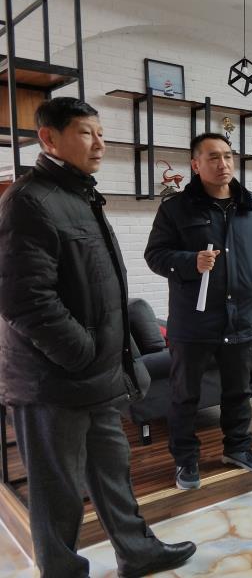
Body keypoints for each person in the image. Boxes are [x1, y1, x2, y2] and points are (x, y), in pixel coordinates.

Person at [0, 97, 196, 577]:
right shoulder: (28, 201)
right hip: (53, 381)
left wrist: (112, 358)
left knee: (113, 471)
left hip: (97, 376)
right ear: (49, 138)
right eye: (86, 133)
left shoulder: (81, 196)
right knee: (58, 491)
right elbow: (24, 299)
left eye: (102, 133)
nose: (100, 144)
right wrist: (82, 352)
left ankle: (138, 551)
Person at [145, 133, 252, 489]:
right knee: (184, 396)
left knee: (238, 391)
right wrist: (190, 262)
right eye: (213, 157)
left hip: (242, 316)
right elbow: (155, 255)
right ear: (195, 164)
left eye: (227, 156)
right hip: (194, 321)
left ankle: (238, 448)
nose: (223, 164)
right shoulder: (176, 208)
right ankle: (186, 460)